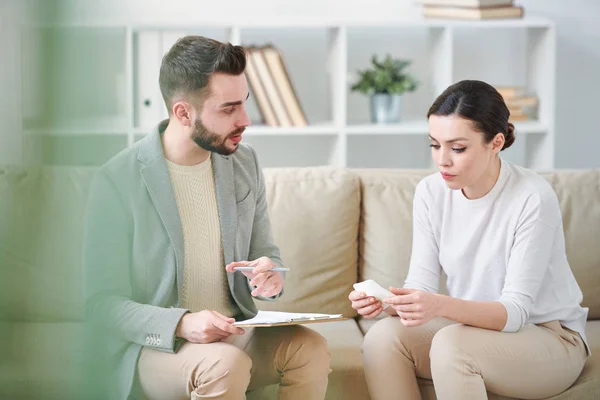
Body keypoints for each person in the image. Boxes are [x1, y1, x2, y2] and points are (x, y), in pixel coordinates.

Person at [83, 35, 330, 400]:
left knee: (309, 348)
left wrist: (270, 276)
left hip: (234, 334)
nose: (245, 120)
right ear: (183, 112)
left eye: (244, 104)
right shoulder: (116, 179)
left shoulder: (244, 163)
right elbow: (100, 304)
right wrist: (183, 323)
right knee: (224, 366)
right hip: (161, 347)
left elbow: (267, 254)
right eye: (228, 109)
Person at [349, 80, 589, 400]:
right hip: (474, 332)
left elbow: (515, 312)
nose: (442, 160)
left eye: (457, 148)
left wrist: (438, 305)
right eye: (435, 145)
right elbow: (421, 285)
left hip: (550, 338)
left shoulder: (532, 197)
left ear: (496, 143)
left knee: (452, 344)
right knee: (383, 338)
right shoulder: (430, 192)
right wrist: (391, 304)